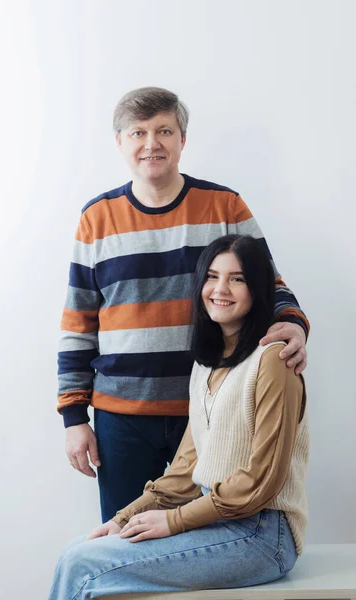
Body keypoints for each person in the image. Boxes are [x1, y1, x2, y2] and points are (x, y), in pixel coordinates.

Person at [57, 87, 310, 523]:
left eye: (164, 131)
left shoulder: (224, 206)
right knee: (124, 543)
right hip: (123, 419)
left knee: (197, 550)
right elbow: (78, 323)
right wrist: (74, 417)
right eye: (138, 132)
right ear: (120, 142)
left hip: (213, 413)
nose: (151, 143)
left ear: (182, 140)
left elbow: (270, 284)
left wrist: (294, 323)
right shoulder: (96, 218)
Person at [49, 234, 309, 598]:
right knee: (77, 553)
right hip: (221, 521)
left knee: (84, 569)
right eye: (212, 276)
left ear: (258, 288)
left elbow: (261, 481)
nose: (221, 289)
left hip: (262, 535)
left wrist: (174, 521)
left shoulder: (274, 362)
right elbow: (186, 471)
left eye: (238, 278)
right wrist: (123, 518)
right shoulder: (206, 364)